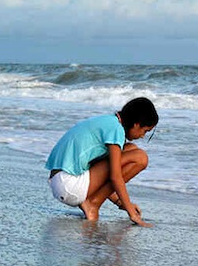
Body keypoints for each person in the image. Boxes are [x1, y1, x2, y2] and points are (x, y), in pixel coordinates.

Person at [45, 97, 158, 227]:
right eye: (145, 131)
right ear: (136, 124)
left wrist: (119, 202)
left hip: (61, 182)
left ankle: (91, 202)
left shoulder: (110, 122)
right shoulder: (116, 130)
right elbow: (115, 176)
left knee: (130, 149)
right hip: (68, 184)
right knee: (140, 157)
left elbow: (97, 169)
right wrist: (131, 212)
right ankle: (93, 204)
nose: (143, 136)